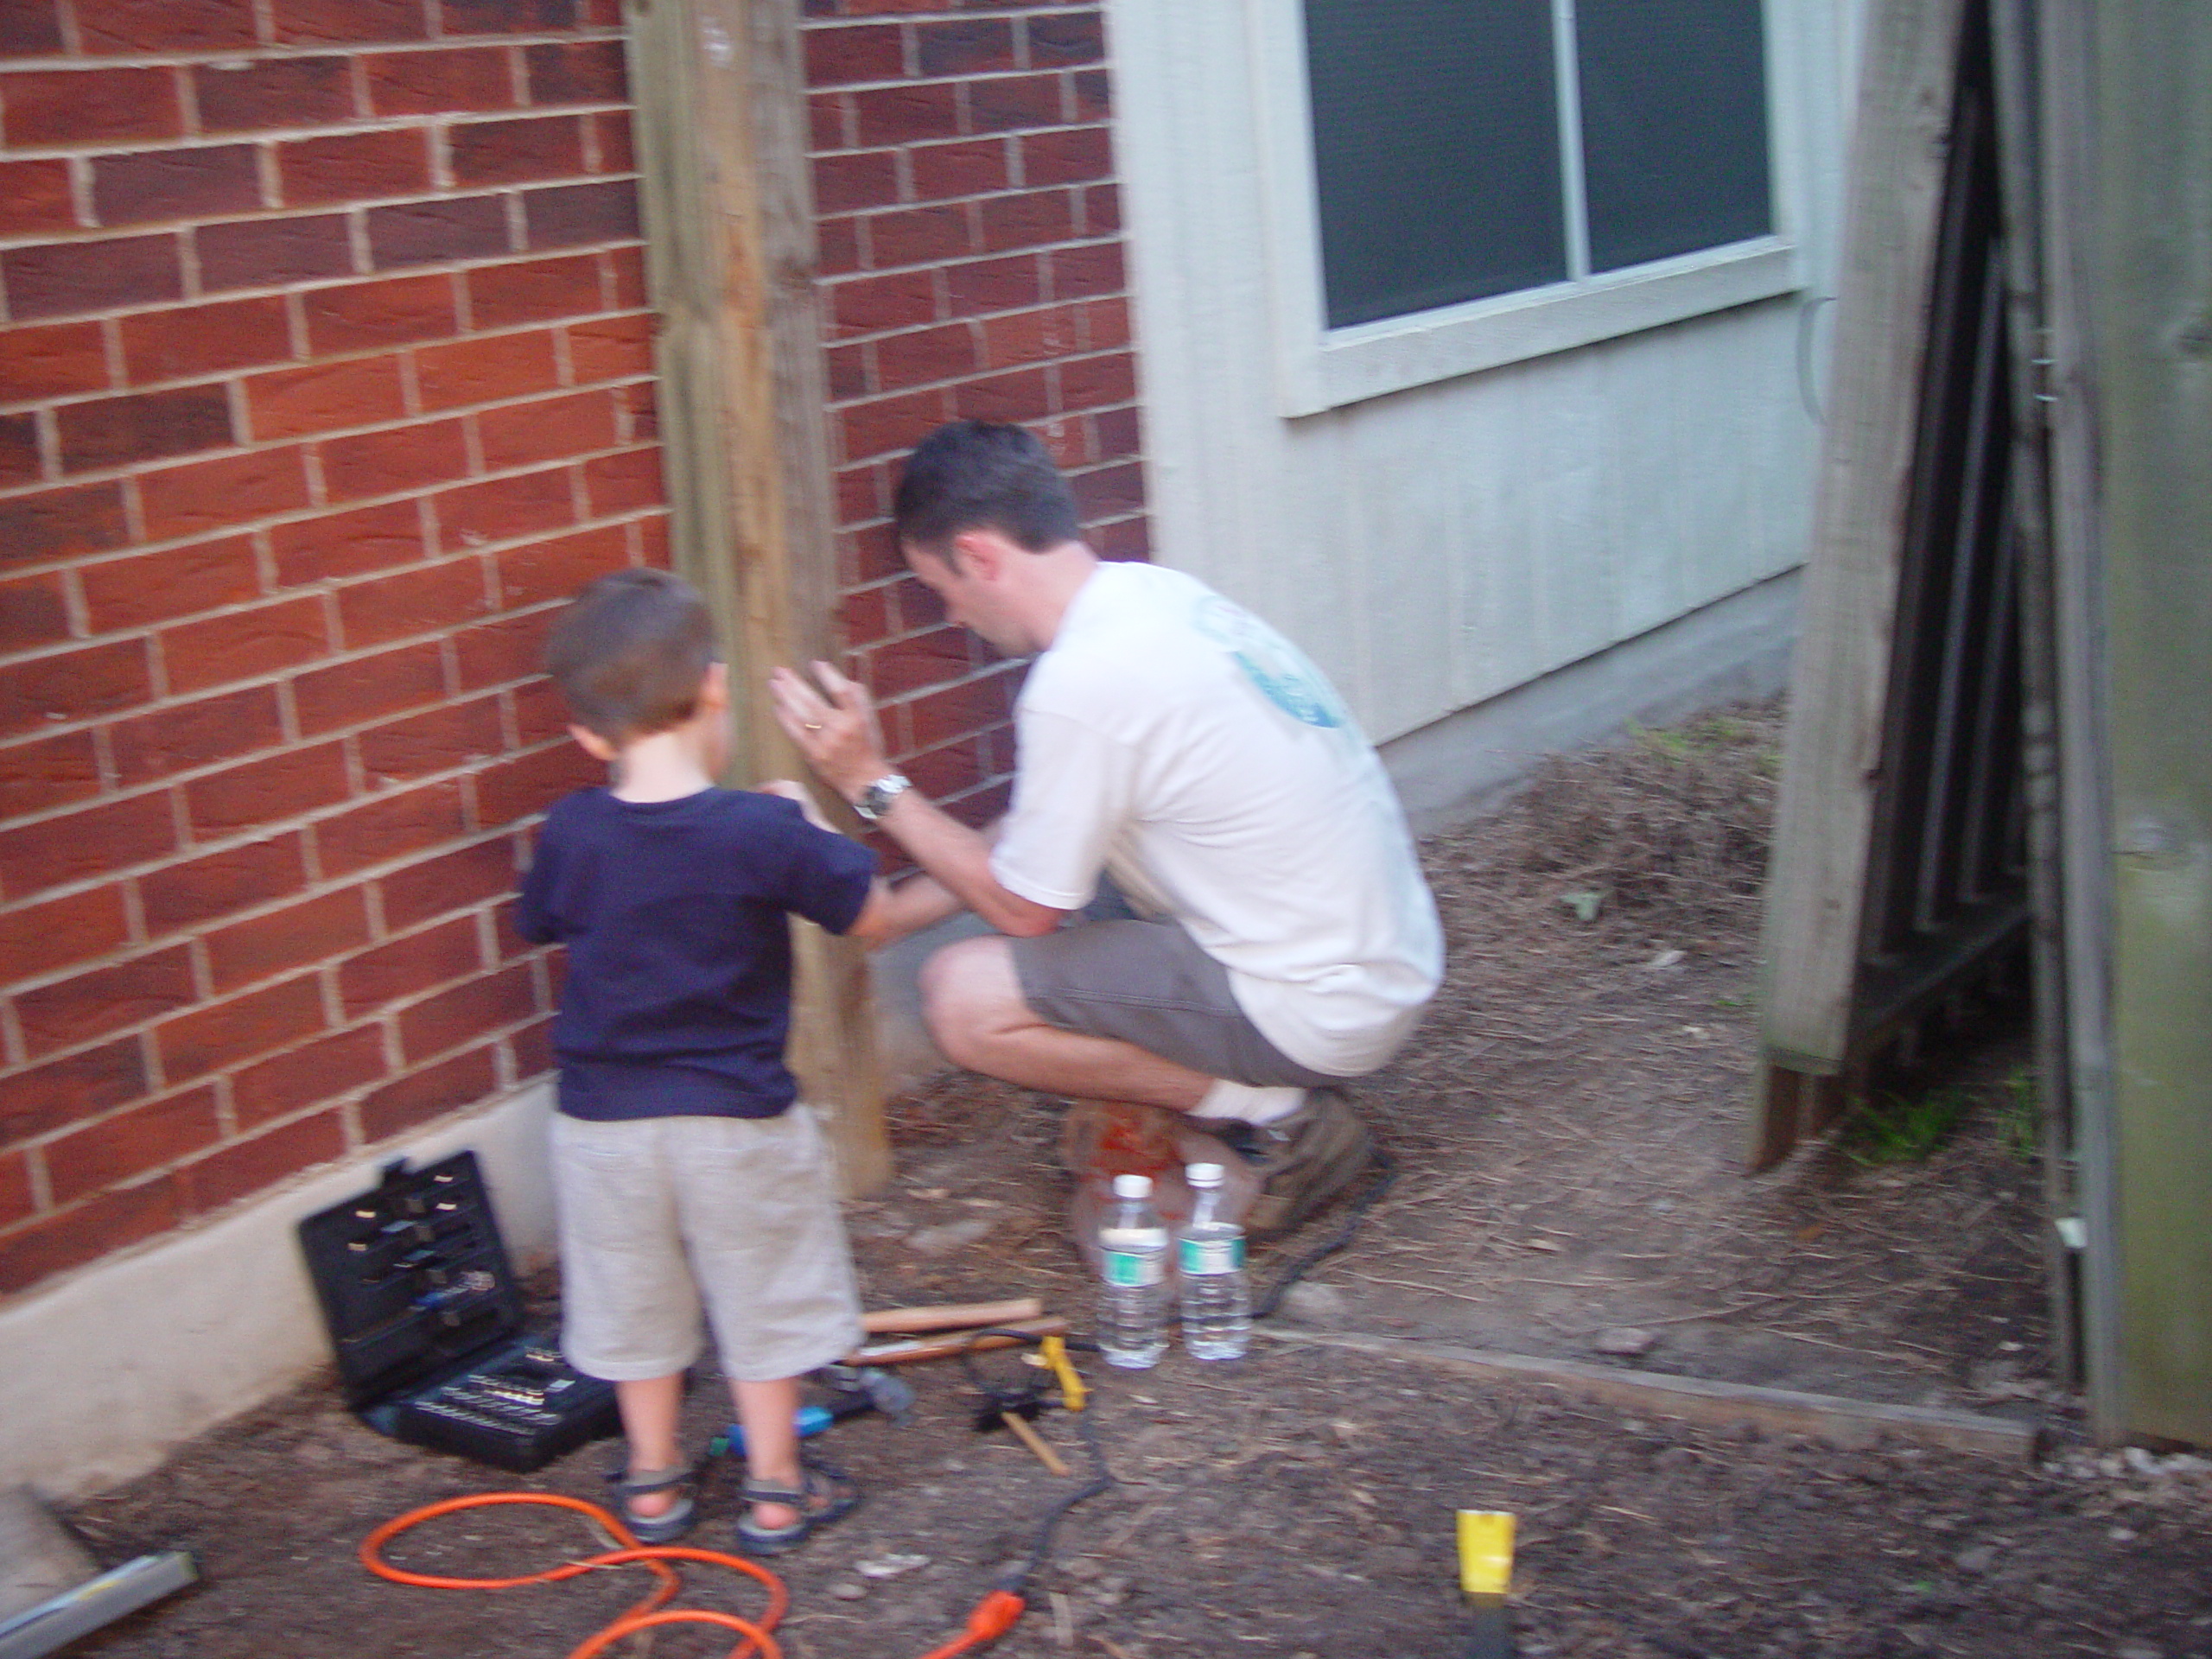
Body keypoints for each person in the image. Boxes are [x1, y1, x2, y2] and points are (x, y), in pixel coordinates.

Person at [769, 421, 1443, 1237]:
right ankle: (1254, 1089)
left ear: (981, 556)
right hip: (1375, 961)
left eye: (941, 587)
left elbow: (1024, 909)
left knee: (962, 998)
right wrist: (889, 917)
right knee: (1072, 889)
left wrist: (864, 781)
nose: (951, 616)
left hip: (1315, 1002)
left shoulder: (1080, 680)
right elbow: (1045, 833)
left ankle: (1280, 1114)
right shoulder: (1154, 600)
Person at [516, 569, 936, 1554]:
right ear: (715, 689)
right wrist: (801, 821)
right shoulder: (759, 831)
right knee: (762, 1296)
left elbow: (545, 916)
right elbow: (868, 914)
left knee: (635, 1303)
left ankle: (654, 1488)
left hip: (603, 1128)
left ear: (585, 735)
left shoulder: (572, 829)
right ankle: (777, 1490)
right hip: (735, 1123)